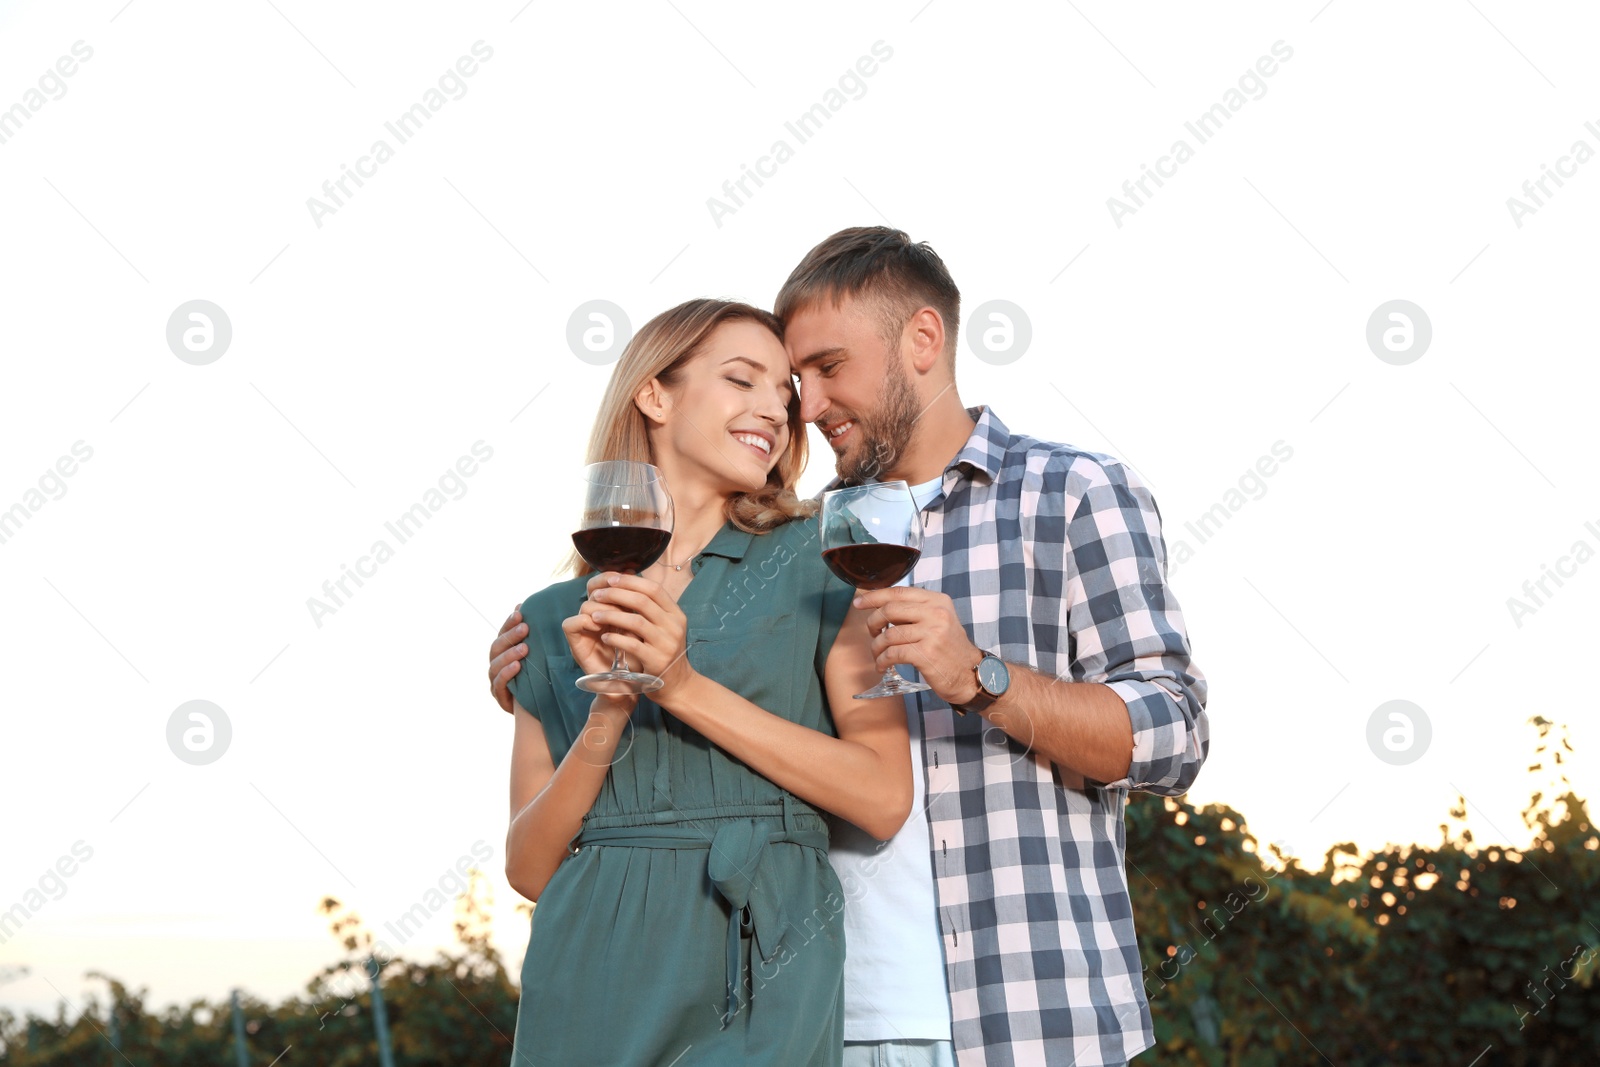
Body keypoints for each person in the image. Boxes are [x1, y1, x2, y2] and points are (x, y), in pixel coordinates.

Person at [492, 229, 1209, 1067]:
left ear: (923, 340)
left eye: (827, 369)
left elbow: (1174, 730)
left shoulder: (1071, 492)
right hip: (826, 1008)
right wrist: (542, 659)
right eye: (794, 382)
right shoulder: (820, 534)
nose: (804, 404)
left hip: (1024, 1000)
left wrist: (981, 678)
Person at [501, 298, 913, 1067]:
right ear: (654, 394)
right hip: (584, 976)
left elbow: (883, 795)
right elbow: (528, 867)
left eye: (784, 397)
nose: (776, 410)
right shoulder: (549, 617)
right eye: (742, 380)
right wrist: (608, 717)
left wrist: (681, 685)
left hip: (760, 957)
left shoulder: (819, 566)